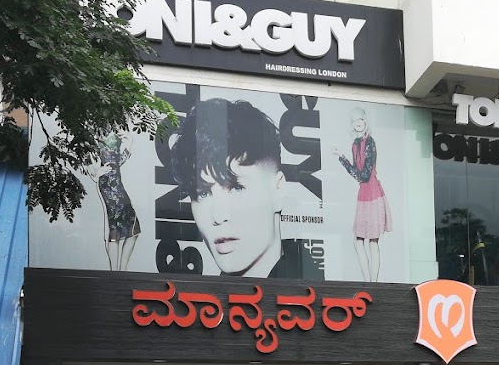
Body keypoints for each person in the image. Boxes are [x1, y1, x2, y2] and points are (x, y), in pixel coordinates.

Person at [165, 98, 324, 280]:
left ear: (278, 190)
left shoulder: (322, 288)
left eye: (236, 188)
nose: (219, 216)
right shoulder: (197, 298)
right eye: (203, 193)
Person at [334, 107, 392, 282]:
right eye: (355, 121)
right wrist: (342, 157)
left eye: (361, 120)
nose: (358, 123)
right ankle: (368, 282)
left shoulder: (370, 142)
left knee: (372, 241)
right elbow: (357, 174)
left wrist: (344, 160)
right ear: (352, 124)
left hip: (373, 193)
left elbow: (364, 175)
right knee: (360, 240)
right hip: (364, 193)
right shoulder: (355, 145)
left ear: (365, 122)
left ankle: (373, 283)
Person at [94, 134, 140, 271]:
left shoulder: (114, 132)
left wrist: (129, 142)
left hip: (118, 185)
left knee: (133, 228)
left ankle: (121, 271)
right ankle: (115, 272)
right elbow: (86, 160)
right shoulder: (93, 134)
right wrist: (96, 172)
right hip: (108, 186)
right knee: (114, 228)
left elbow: (117, 161)